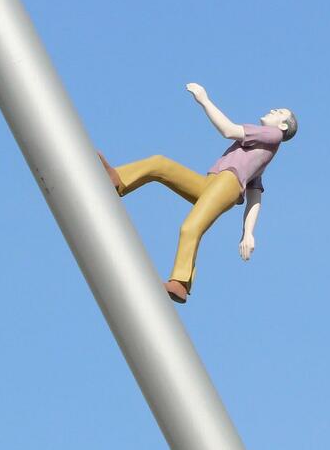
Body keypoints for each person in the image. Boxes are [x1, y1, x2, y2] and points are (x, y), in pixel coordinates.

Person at [99, 83, 298, 304]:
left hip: (227, 183)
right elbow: (255, 194)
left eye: (279, 112)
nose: (273, 110)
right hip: (211, 183)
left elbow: (228, 130)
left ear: (282, 126)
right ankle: (119, 180)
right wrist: (248, 232)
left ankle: (181, 282)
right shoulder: (261, 148)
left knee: (191, 227)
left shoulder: (272, 135)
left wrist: (204, 99)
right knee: (160, 165)